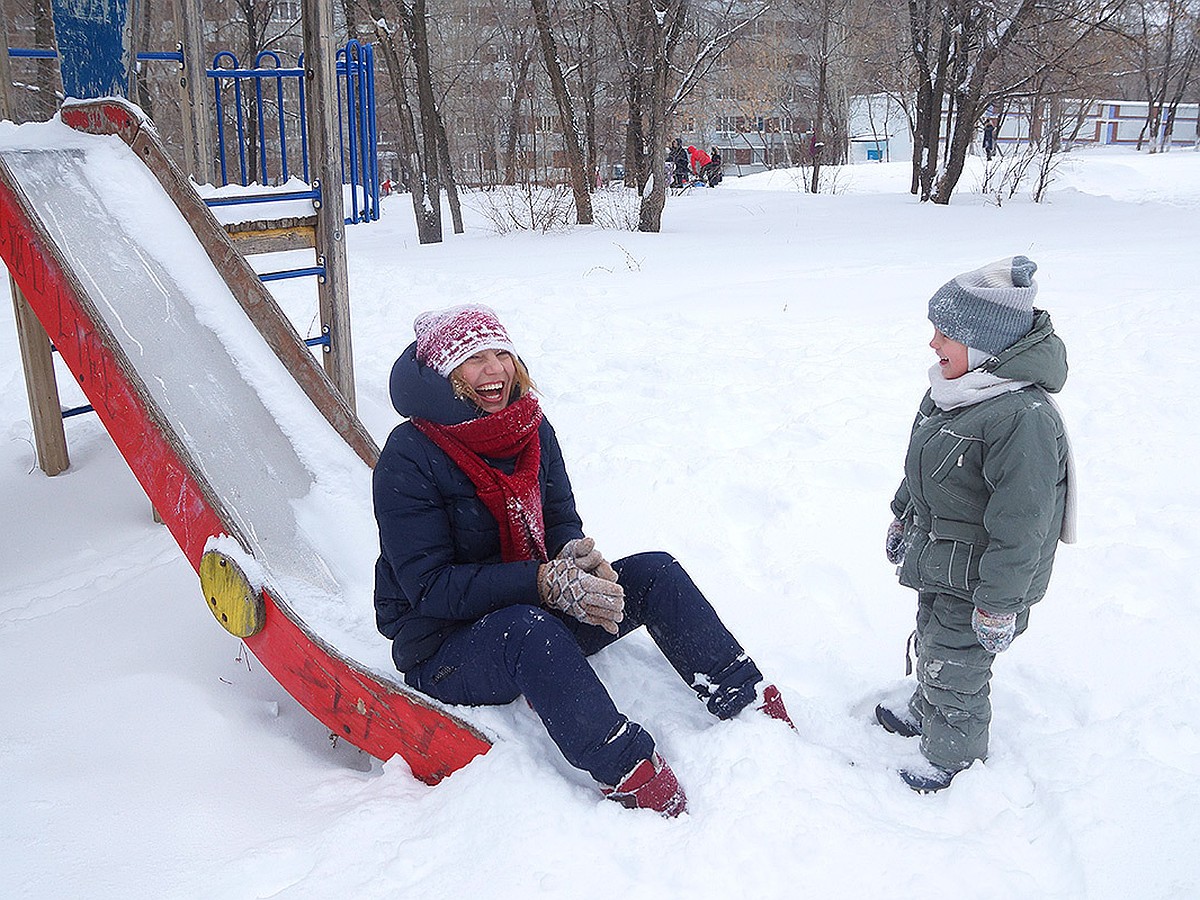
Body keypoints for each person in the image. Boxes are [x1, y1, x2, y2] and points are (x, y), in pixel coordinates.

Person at [373, 305, 794, 816]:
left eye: (501, 353)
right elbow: (430, 587)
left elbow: (558, 515)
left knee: (655, 572)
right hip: (443, 648)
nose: (495, 370)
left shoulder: (529, 425)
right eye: (474, 358)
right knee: (528, 630)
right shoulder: (409, 453)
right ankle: (627, 769)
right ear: (446, 374)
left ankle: (744, 698)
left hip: (534, 609)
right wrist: (543, 582)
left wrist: (575, 559)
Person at [876, 256, 1076, 792]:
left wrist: (999, 602)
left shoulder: (1021, 419)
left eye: (946, 333)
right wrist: (903, 517)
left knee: (958, 661)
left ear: (984, 343)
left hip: (985, 579)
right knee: (934, 639)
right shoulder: (955, 392)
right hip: (943, 558)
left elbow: (1024, 526)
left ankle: (953, 755)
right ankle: (929, 705)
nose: (933, 344)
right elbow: (921, 468)